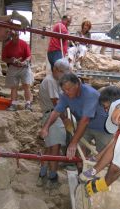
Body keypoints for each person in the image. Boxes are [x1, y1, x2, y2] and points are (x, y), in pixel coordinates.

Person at [40, 73, 112, 171]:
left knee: (104, 154)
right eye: (64, 90)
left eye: (69, 89)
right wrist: (46, 127)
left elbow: (85, 120)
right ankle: (81, 174)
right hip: (84, 126)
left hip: (103, 127)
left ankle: (103, 177)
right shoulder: (65, 95)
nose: (66, 92)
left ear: (77, 84)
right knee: (80, 153)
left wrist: (73, 142)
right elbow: (57, 111)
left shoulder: (89, 94)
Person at [37, 58, 70, 186]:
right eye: (62, 72)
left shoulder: (56, 81)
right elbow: (57, 103)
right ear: (55, 69)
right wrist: (65, 119)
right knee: (55, 148)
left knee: (50, 146)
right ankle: (53, 175)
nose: (64, 76)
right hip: (53, 116)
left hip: (52, 115)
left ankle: (43, 171)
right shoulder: (51, 81)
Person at [0, 11, 30, 92]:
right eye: (7, 32)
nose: (7, 36)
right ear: (0, 26)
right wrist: (14, 16)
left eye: (9, 34)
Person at [2, 30, 33, 111]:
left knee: (26, 85)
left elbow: (29, 56)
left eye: (17, 35)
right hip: (13, 67)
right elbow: (3, 58)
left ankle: (28, 104)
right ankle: (14, 104)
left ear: (19, 34)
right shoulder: (7, 46)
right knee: (14, 87)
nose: (16, 37)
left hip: (24, 67)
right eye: (14, 36)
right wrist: (11, 60)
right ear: (11, 36)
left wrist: (25, 61)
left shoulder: (24, 43)